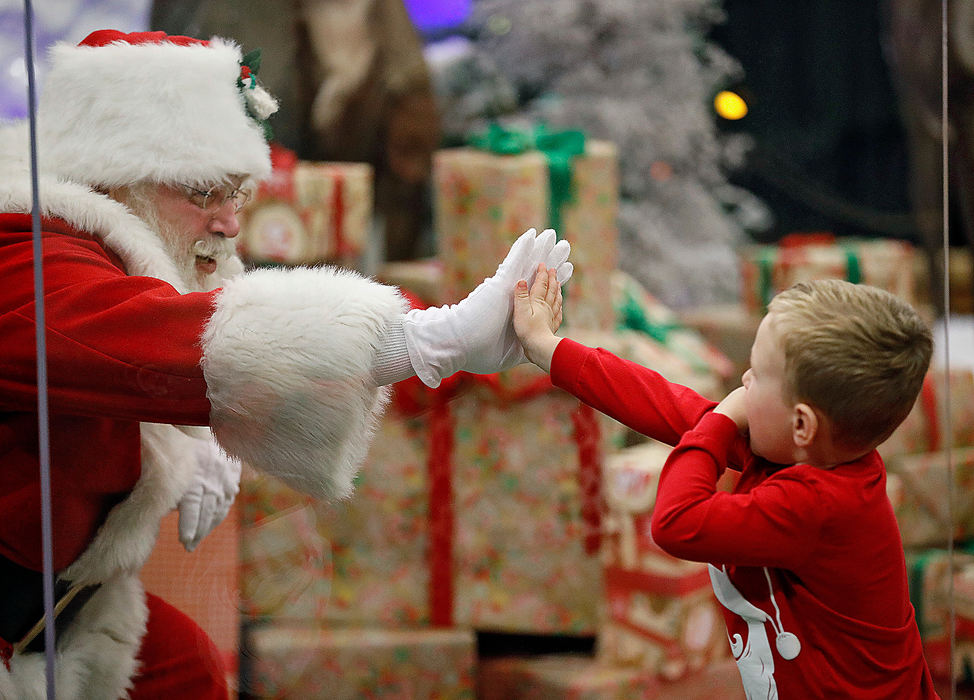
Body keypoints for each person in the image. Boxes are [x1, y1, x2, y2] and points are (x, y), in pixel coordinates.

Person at [0, 29, 571, 698]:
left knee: (184, 672)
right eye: (201, 193)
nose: (230, 224)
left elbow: (177, 320)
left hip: (66, 610)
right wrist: (422, 341)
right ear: (117, 180)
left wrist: (195, 432)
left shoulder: (111, 243)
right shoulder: (24, 251)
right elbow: (139, 335)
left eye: (235, 194)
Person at [513, 268, 938, 698]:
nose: (744, 381)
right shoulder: (812, 452)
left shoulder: (819, 504)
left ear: (802, 423)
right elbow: (665, 404)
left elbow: (677, 522)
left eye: (755, 373)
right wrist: (548, 348)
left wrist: (715, 424)